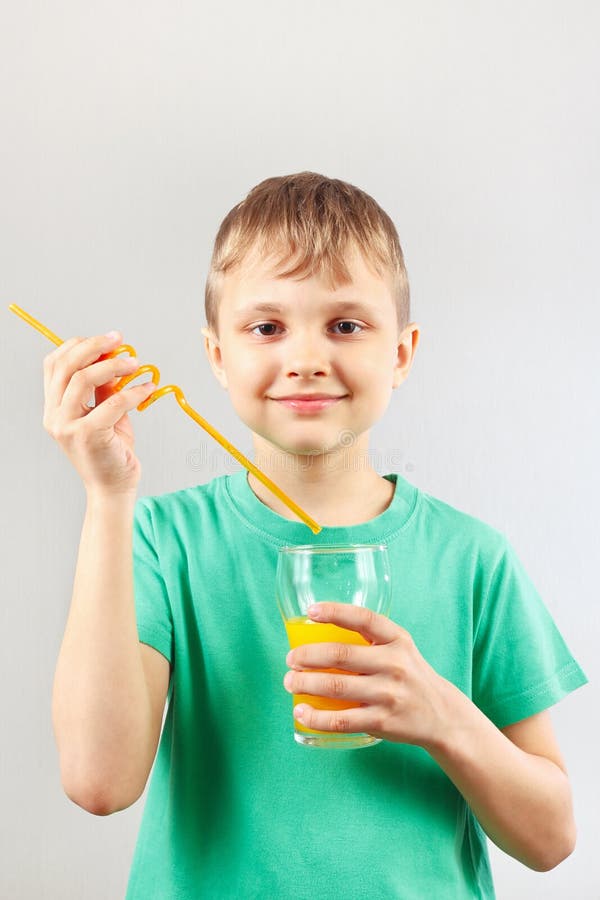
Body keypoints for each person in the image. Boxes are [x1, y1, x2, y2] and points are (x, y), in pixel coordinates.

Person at [47, 172, 587, 899]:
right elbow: (99, 782)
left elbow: (551, 840)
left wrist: (442, 716)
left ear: (400, 353)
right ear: (216, 355)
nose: (304, 357)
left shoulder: (473, 559)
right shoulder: (158, 541)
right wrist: (107, 499)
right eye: (266, 327)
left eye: (345, 325)